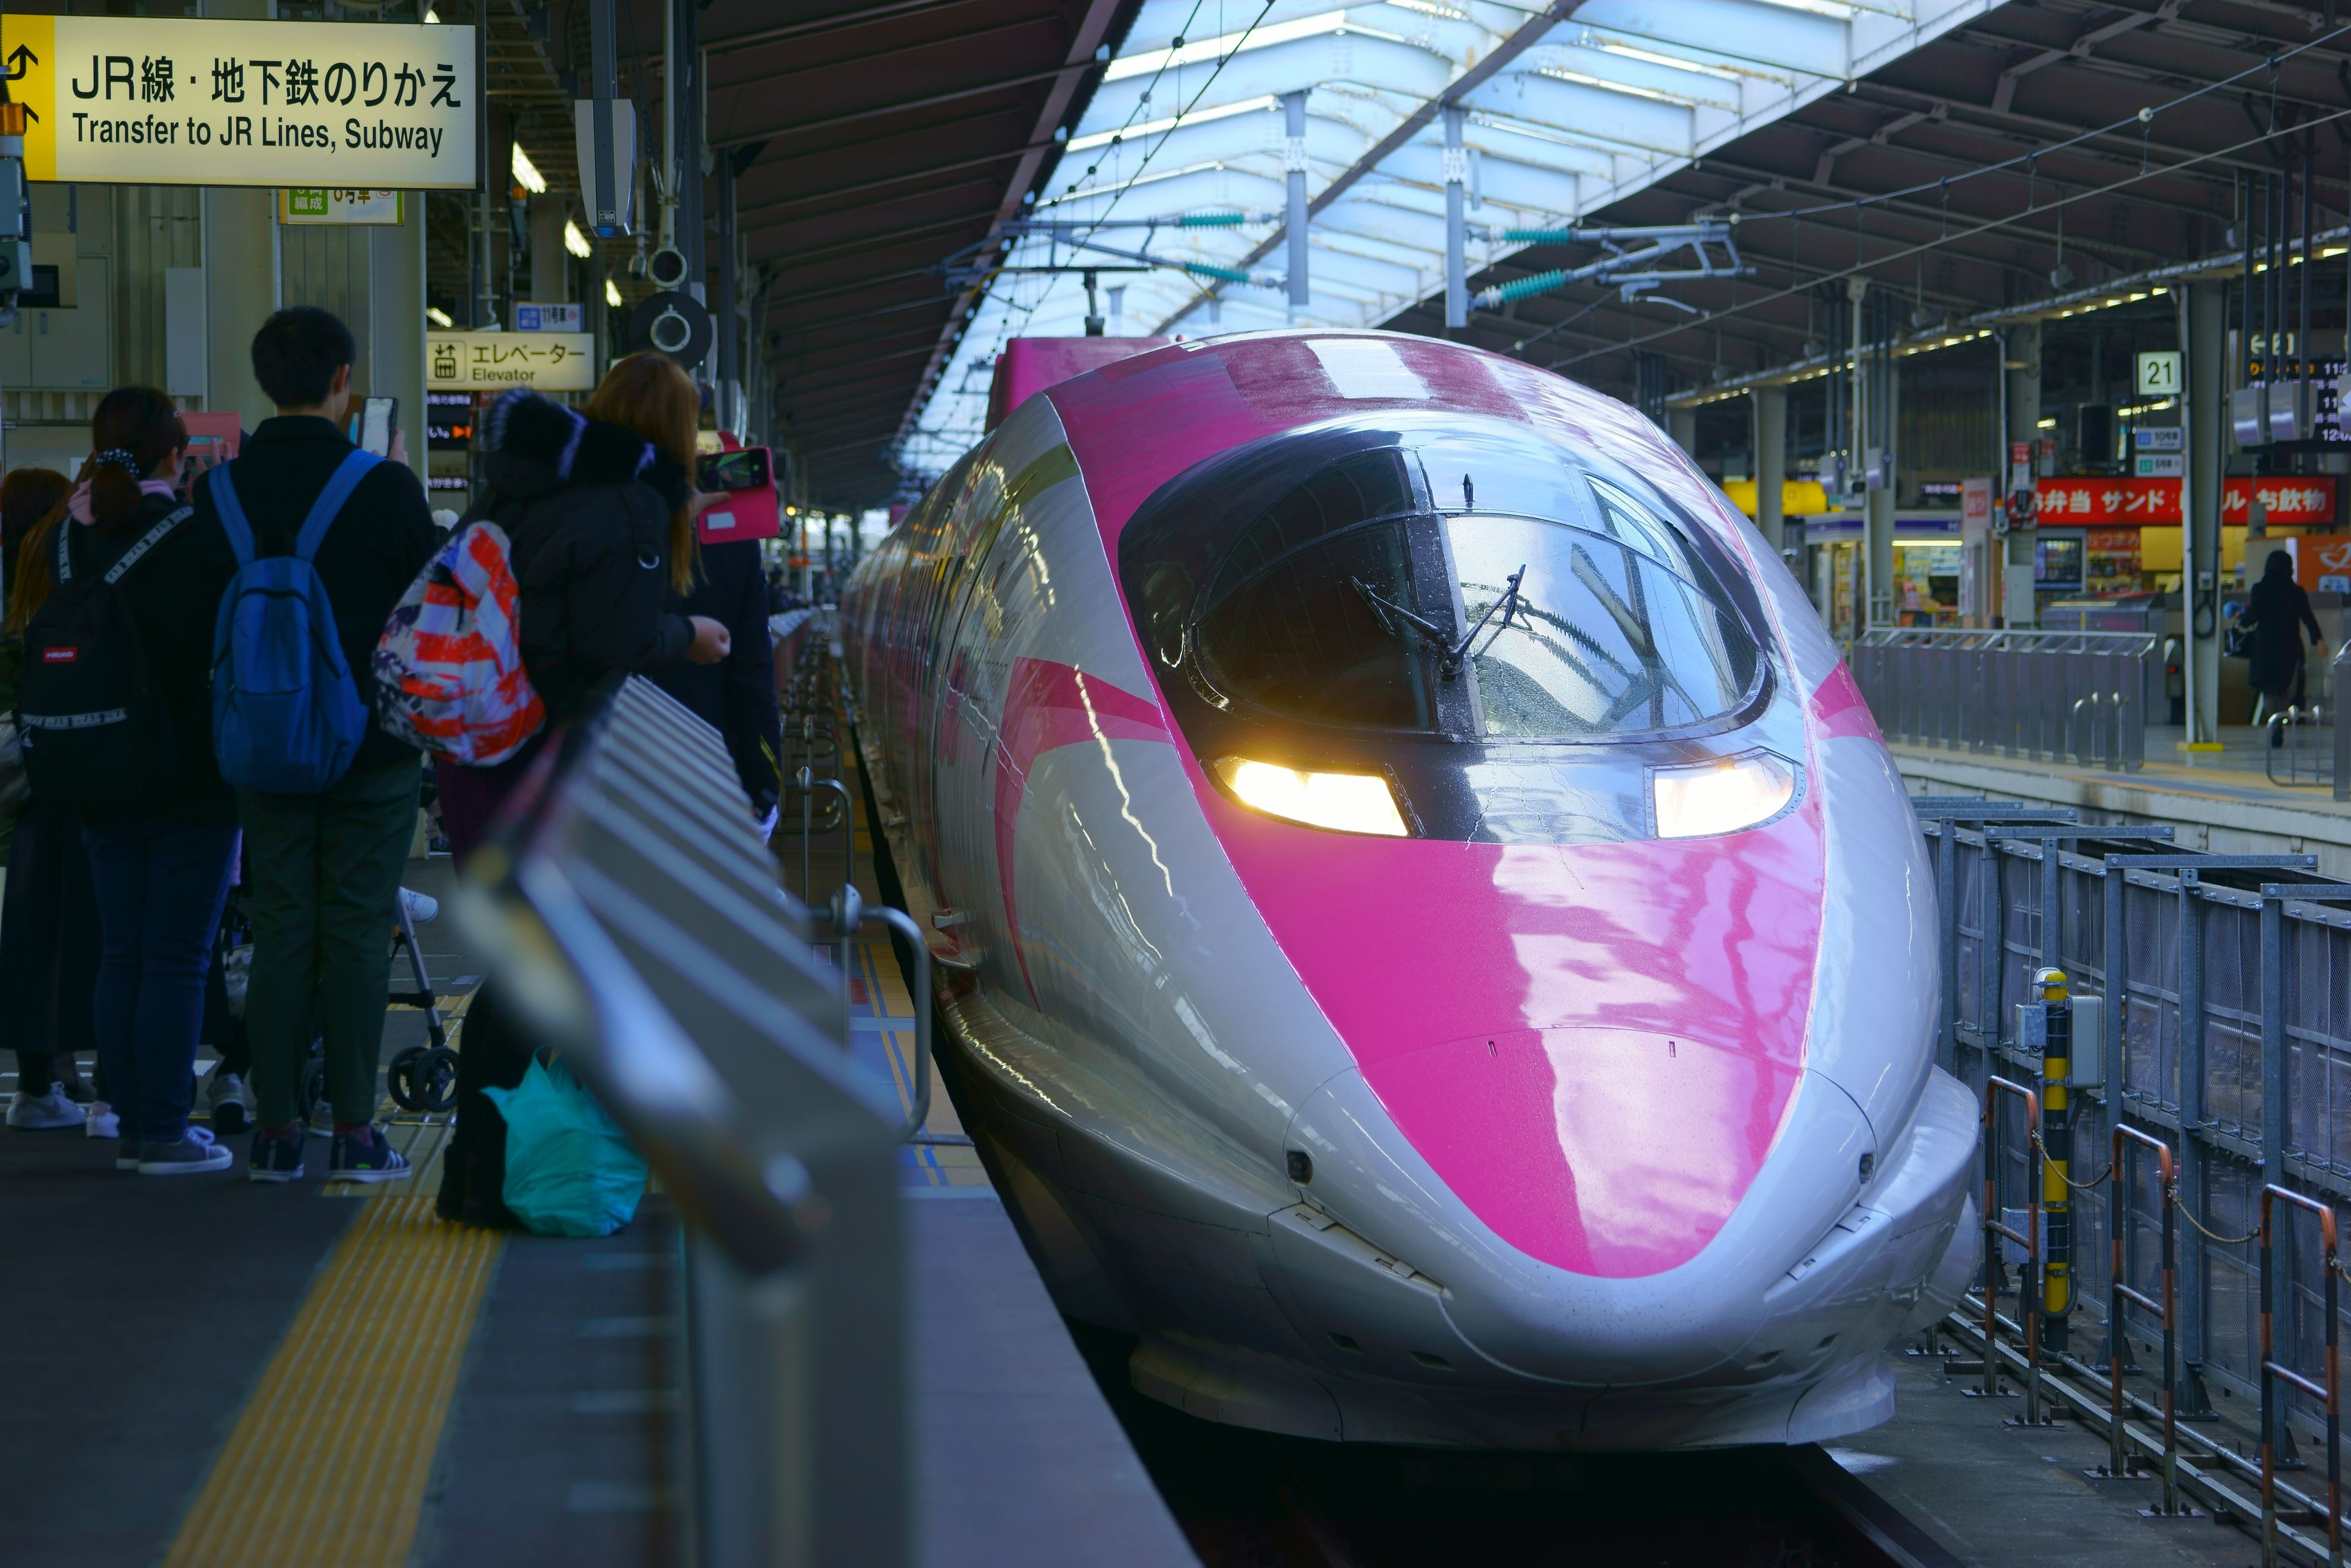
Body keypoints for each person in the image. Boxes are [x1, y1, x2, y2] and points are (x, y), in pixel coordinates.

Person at [433, 352, 728, 1228]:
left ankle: (475, 1173)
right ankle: (496, 1178)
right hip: (544, 761)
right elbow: (610, 641)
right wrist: (687, 634)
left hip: (480, 751)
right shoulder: (632, 503)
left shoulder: (521, 486)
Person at [185, 307, 437, 1184]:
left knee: (284, 925)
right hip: (371, 748)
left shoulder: (216, 491)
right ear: (342, 381)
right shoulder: (386, 486)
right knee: (359, 930)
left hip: (263, 746)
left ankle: (278, 1131)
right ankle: (357, 1131)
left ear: (265, 382)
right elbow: (427, 610)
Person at [16, 392, 241, 1170]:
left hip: (93, 768)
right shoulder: (192, 533)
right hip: (186, 775)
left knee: (122, 952)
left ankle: (132, 1123)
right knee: (176, 957)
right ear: (176, 456)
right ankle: (161, 1130)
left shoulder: (65, 536)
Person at [0, 466, 103, 1132]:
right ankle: (66, 1075)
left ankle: (43, 1078)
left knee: (34, 938)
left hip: (16, 803)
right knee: (77, 935)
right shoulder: (57, 564)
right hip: (57, 791)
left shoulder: (15, 609)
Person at [648, 534, 782, 826]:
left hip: (604, 757)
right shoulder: (734, 540)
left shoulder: (607, 520)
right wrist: (764, 785)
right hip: (710, 762)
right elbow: (753, 674)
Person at [2243, 548, 2325, 732]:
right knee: (2282, 688)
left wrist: (2241, 619)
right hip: (2289, 647)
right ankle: (2281, 720)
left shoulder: (2260, 589)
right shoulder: (2296, 592)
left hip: (2265, 648)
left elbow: (2252, 616)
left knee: (2268, 690)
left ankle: (2275, 725)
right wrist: (2318, 640)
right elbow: (2308, 617)